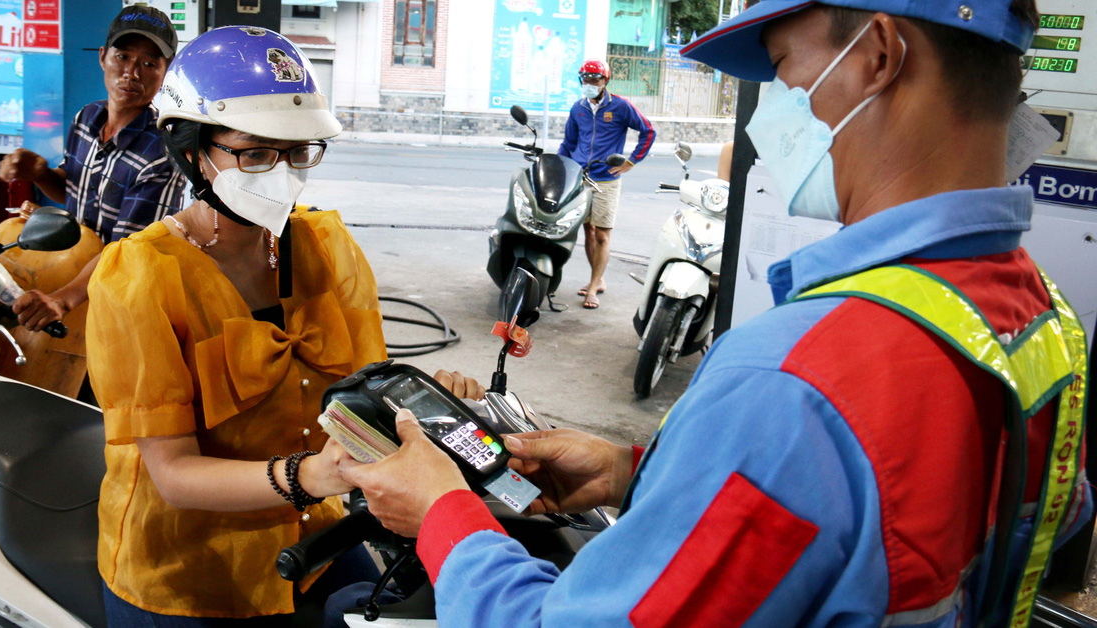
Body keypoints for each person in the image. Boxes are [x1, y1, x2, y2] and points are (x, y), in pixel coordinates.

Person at [336, 0, 1093, 626]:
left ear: (879, 54)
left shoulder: (796, 379)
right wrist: (645, 474)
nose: (771, 114)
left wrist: (442, 514)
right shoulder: (1039, 320)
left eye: (786, 69)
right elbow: (882, 530)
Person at [85, 27, 481, 625]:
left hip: (315, 538)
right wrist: (309, 475)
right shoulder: (138, 277)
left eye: (298, 152)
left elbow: (361, 390)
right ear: (192, 148)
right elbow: (172, 475)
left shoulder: (326, 246)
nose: (282, 174)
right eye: (256, 153)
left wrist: (425, 407)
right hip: (187, 566)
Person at [0, 5, 185, 333]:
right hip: (72, 275)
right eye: (123, 56)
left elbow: (127, 250)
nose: (132, 73)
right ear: (102, 57)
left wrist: (63, 299)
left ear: (165, 72)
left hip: (121, 295)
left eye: (149, 63)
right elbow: (73, 193)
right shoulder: (86, 119)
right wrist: (40, 172)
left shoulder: (162, 152)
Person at [559, 59, 655, 309]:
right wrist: (559, 168)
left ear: (605, 82)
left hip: (606, 179)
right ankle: (597, 279)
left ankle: (592, 287)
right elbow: (569, 144)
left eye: (595, 79)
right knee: (587, 231)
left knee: (602, 234)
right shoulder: (577, 108)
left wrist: (631, 162)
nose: (590, 83)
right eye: (586, 79)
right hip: (581, 178)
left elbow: (648, 131)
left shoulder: (620, 106)